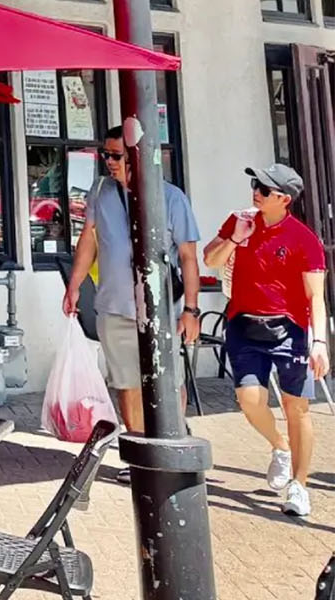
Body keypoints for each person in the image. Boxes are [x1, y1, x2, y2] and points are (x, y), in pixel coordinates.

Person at [63, 125, 201, 447]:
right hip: (114, 306)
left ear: (135, 157)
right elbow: (89, 240)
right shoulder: (100, 192)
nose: (109, 162)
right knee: (127, 382)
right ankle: (139, 445)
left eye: (116, 155)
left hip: (161, 308)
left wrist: (191, 310)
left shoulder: (171, 198)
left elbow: (188, 258)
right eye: (105, 155)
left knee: (168, 379)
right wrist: (74, 285)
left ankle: (172, 440)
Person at [202, 163, 326, 517]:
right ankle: (280, 446)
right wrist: (234, 238)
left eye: (265, 189)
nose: (256, 192)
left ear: (284, 199)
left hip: (290, 330)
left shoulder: (304, 239)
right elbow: (210, 259)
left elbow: (316, 296)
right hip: (243, 324)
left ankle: (299, 486)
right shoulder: (239, 220)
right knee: (249, 399)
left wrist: (320, 343)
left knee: (296, 407)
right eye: (256, 184)